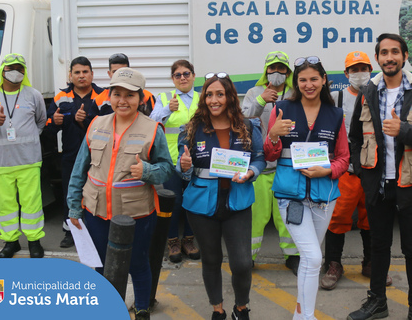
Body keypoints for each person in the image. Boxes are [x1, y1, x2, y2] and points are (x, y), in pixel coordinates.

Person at [347, 34, 412, 320]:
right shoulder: (368, 91)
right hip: (378, 183)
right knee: (379, 246)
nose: (389, 57)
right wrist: (362, 171)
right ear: (377, 58)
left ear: (404, 56)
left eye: (395, 52)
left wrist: (404, 130)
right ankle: (377, 301)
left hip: (411, 183)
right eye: (383, 53)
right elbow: (355, 137)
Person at [67, 68, 174, 320]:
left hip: (136, 214)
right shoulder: (96, 124)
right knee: (103, 267)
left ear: (141, 99)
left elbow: (167, 169)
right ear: (110, 96)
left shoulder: (152, 129)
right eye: (117, 94)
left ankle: (142, 310)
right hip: (96, 213)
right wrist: (73, 207)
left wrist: (147, 170)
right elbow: (79, 169)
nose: (123, 100)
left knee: (138, 265)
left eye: (130, 95)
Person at [264, 56, 350, 320]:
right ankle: (308, 317)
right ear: (296, 82)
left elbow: (344, 158)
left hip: (324, 197)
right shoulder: (281, 109)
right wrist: (274, 134)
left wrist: (328, 170)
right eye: (303, 80)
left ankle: (300, 314)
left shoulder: (335, 114)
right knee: (313, 259)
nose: (308, 84)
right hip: (291, 196)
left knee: (309, 259)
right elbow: (269, 154)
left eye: (314, 79)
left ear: (323, 80)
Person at [177, 72, 266, 320]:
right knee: (212, 259)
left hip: (237, 202)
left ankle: (241, 307)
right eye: (209, 94)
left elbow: (259, 158)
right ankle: (217, 308)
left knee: (241, 263)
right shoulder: (191, 129)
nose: (214, 99)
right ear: (204, 98)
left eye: (220, 94)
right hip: (201, 206)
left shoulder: (247, 126)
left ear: (229, 97)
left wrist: (251, 172)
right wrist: (183, 167)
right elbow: (182, 167)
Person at [321, 51, 392, 290]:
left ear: (371, 71)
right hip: (345, 172)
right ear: (346, 73)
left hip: (372, 171)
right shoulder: (334, 98)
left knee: (371, 218)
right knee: (337, 219)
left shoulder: (380, 96)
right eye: (354, 69)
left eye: (363, 68)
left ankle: (371, 263)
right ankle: (333, 264)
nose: (359, 74)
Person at [0, 53, 47, 258]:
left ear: (24, 71)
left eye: (20, 69)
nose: (16, 72)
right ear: (3, 70)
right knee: (5, 205)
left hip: (29, 160)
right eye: (11, 68)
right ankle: (11, 242)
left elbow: (41, 122)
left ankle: (34, 241)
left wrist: (28, 137)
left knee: (32, 203)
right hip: (1, 162)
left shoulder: (33, 94)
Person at [241, 51, 300, 274]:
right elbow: (243, 118)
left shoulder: (295, 93)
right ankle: (249, 257)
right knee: (256, 216)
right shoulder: (254, 92)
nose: (277, 72)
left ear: (288, 72)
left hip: (287, 165)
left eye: (281, 68)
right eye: (272, 68)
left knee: (287, 216)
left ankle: (293, 256)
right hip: (260, 166)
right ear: (266, 70)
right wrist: (260, 100)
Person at [46, 56, 104, 248]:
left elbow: (110, 125)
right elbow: (48, 128)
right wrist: (54, 122)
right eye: (77, 72)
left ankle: (98, 231)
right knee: (71, 193)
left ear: (92, 74)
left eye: (85, 72)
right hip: (71, 155)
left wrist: (83, 121)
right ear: (70, 75)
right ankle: (70, 231)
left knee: (98, 193)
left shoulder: (103, 95)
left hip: (99, 155)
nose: (81, 76)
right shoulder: (60, 97)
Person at [150, 59, 200, 262]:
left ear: (193, 76)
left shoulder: (202, 97)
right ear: (172, 79)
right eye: (178, 75)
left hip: (197, 159)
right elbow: (152, 120)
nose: (183, 78)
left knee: (192, 201)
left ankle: (189, 240)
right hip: (171, 160)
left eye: (186, 73)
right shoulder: (164, 98)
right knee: (174, 202)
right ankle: (172, 241)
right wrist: (167, 110)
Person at [86, 53, 156, 121]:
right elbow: (92, 126)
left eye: (130, 95)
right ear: (109, 73)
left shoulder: (147, 96)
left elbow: (154, 120)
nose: (119, 75)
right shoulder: (99, 99)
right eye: (115, 72)